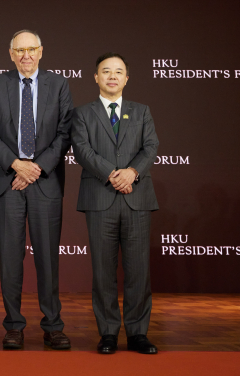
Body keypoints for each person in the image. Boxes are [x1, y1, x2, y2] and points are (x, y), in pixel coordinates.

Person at [0, 30, 73, 350]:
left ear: (41, 51)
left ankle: (52, 325)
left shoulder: (58, 84)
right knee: (9, 258)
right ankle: (14, 326)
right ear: (10, 54)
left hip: (44, 181)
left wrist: (35, 168)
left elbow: (64, 133)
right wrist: (15, 164)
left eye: (31, 49)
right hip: (8, 182)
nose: (26, 55)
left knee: (47, 258)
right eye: (19, 50)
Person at [71, 52, 159, 355]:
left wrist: (132, 172)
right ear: (95, 77)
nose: (112, 76)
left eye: (118, 71)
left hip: (136, 198)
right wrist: (112, 174)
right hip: (100, 199)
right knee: (103, 272)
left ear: (126, 78)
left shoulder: (142, 111)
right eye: (105, 71)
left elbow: (151, 146)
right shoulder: (82, 114)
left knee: (138, 271)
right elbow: (82, 150)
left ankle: (138, 333)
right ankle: (107, 332)